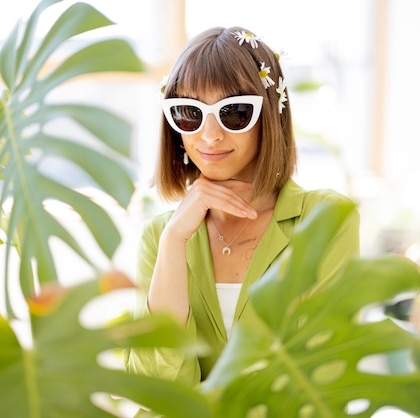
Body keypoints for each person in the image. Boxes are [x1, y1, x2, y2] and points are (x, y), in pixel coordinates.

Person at [125, 26, 360, 387]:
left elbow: (323, 369)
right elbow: (155, 385)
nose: (210, 134)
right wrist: (174, 240)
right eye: (189, 113)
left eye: (233, 112)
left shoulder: (325, 221)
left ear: (269, 117)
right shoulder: (160, 236)